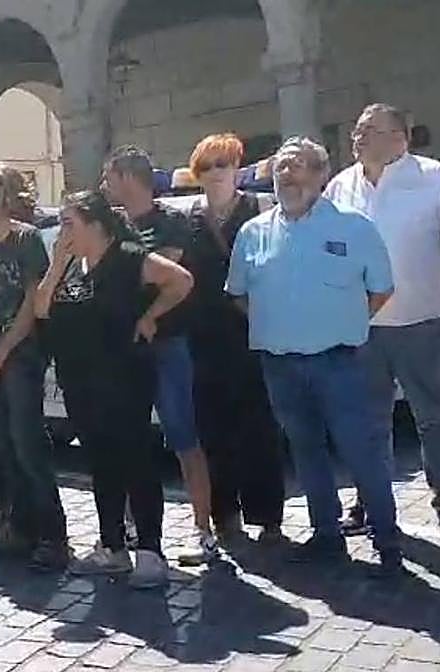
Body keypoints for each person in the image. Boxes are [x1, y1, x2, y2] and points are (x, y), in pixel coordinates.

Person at [225, 137, 402, 575]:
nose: (290, 175)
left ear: (322, 176)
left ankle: (387, 544)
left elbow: (381, 289)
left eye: (301, 166)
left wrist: (339, 323)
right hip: (280, 364)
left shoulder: (354, 227)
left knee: (362, 453)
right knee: (306, 452)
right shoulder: (253, 233)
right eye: (283, 167)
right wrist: (281, 326)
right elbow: (240, 294)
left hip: (341, 361)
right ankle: (327, 536)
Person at [36, 190, 193, 588]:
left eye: (70, 222)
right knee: (100, 462)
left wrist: (150, 316)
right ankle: (112, 547)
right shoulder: (69, 265)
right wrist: (57, 264)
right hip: (78, 377)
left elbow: (180, 280)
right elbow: (40, 308)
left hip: (124, 374)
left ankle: (150, 551)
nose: (63, 230)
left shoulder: (127, 257)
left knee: (135, 459)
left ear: (95, 223)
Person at [324, 103, 440, 529]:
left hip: (423, 322)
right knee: (368, 422)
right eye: (356, 130)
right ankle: (371, 500)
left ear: (399, 138)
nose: (357, 137)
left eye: (369, 130)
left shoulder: (433, 179)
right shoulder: (341, 186)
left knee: (434, 418)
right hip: (362, 328)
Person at [102, 145, 217, 564]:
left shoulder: (170, 221)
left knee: (183, 435)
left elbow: (166, 272)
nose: (104, 186)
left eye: (109, 177)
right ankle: (135, 528)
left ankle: (204, 532)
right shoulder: (112, 224)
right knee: (130, 438)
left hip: (167, 342)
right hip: (124, 347)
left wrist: (148, 314)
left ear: (128, 178)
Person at [0, 167, 68, 570]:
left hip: (19, 356)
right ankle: (19, 526)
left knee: (27, 442)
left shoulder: (25, 239)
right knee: (2, 444)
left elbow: (30, 302)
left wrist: (2, 352)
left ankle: (53, 535)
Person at [182, 134, 285, 546]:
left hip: (253, 332)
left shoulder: (259, 211)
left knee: (259, 427)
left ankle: (269, 517)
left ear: (236, 167)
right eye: (206, 167)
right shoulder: (188, 219)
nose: (214, 174)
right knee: (214, 431)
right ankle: (225, 515)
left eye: (221, 165)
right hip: (204, 339)